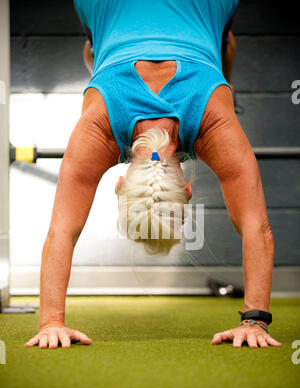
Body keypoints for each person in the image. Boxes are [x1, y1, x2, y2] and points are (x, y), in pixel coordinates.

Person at [25, 0, 281, 350]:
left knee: (222, 44)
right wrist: (50, 322)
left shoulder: (214, 124)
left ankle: (219, 78)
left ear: (187, 191)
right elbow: (61, 233)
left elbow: (259, 228)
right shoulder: (97, 128)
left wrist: (256, 323)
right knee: (94, 49)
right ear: (119, 186)